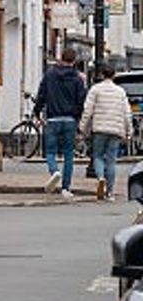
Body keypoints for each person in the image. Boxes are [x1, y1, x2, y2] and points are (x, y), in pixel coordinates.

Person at [34, 48, 89, 199]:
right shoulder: (78, 78)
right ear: (74, 60)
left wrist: (37, 112)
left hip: (52, 118)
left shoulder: (50, 74)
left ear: (61, 57)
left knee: (50, 151)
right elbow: (81, 100)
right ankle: (66, 188)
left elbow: (42, 94)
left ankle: (54, 171)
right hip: (70, 119)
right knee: (69, 154)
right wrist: (78, 118)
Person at [83, 63, 131, 202]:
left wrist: (83, 127)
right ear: (114, 75)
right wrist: (129, 131)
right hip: (116, 130)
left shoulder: (95, 89)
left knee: (97, 156)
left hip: (99, 128)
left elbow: (88, 110)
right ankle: (110, 192)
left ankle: (100, 178)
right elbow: (127, 113)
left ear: (102, 75)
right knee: (111, 161)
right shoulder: (120, 92)